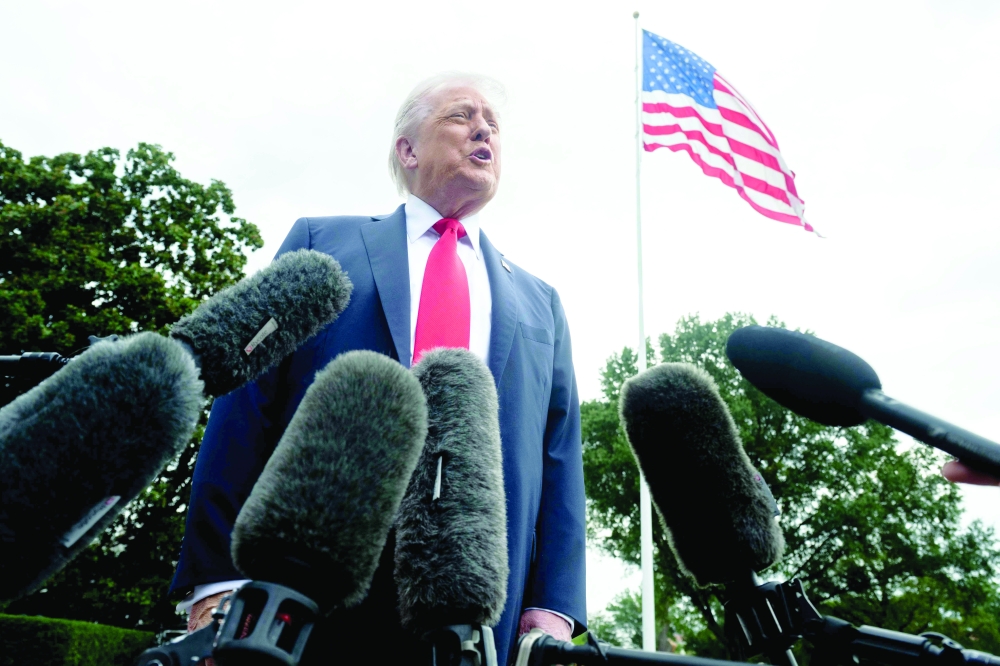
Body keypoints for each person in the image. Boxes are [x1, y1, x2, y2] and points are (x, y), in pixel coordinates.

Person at [169, 73, 586, 666]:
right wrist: (215, 582)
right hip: (308, 591)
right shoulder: (321, 243)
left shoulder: (540, 301)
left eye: (493, 123)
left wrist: (553, 607)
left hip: (481, 605)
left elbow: (559, 456)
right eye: (462, 116)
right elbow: (245, 406)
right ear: (408, 149)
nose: (485, 129)